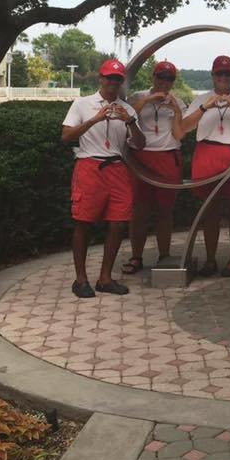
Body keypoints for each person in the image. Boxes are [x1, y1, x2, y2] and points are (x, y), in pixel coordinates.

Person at [61, 59, 146, 298]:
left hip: (117, 167)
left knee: (119, 223)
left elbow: (140, 144)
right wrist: (95, 119)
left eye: (117, 79)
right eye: (109, 78)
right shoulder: (83, 104)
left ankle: (105, 278)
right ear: (101, 78)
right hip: (90, 165)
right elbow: (66, 136)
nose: (112, 83)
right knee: (83, 222)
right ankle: (80, 279)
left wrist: (129, 121)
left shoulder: (127, 109)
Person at [177, 55, 230, 277]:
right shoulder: (201, 99)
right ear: (212, 75)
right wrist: (205, 108)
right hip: (207, 153)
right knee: (209, 210)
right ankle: (210, 259)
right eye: (219, 73)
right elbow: (183, 128)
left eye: (227, 74)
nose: (223, 77)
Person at [122, 60, 185, 275]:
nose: (164, 83)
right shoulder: (138, 97)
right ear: (153, 77)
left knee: (165, 210)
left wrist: (176, 110)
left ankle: (164, 255)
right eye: (161, 77)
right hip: (141, 156)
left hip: (168, 157)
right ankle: (136, 256)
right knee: (139, 210)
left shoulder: (178, 101)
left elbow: (180, 134)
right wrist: (150, 99)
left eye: (169, 79)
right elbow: (127, 116)